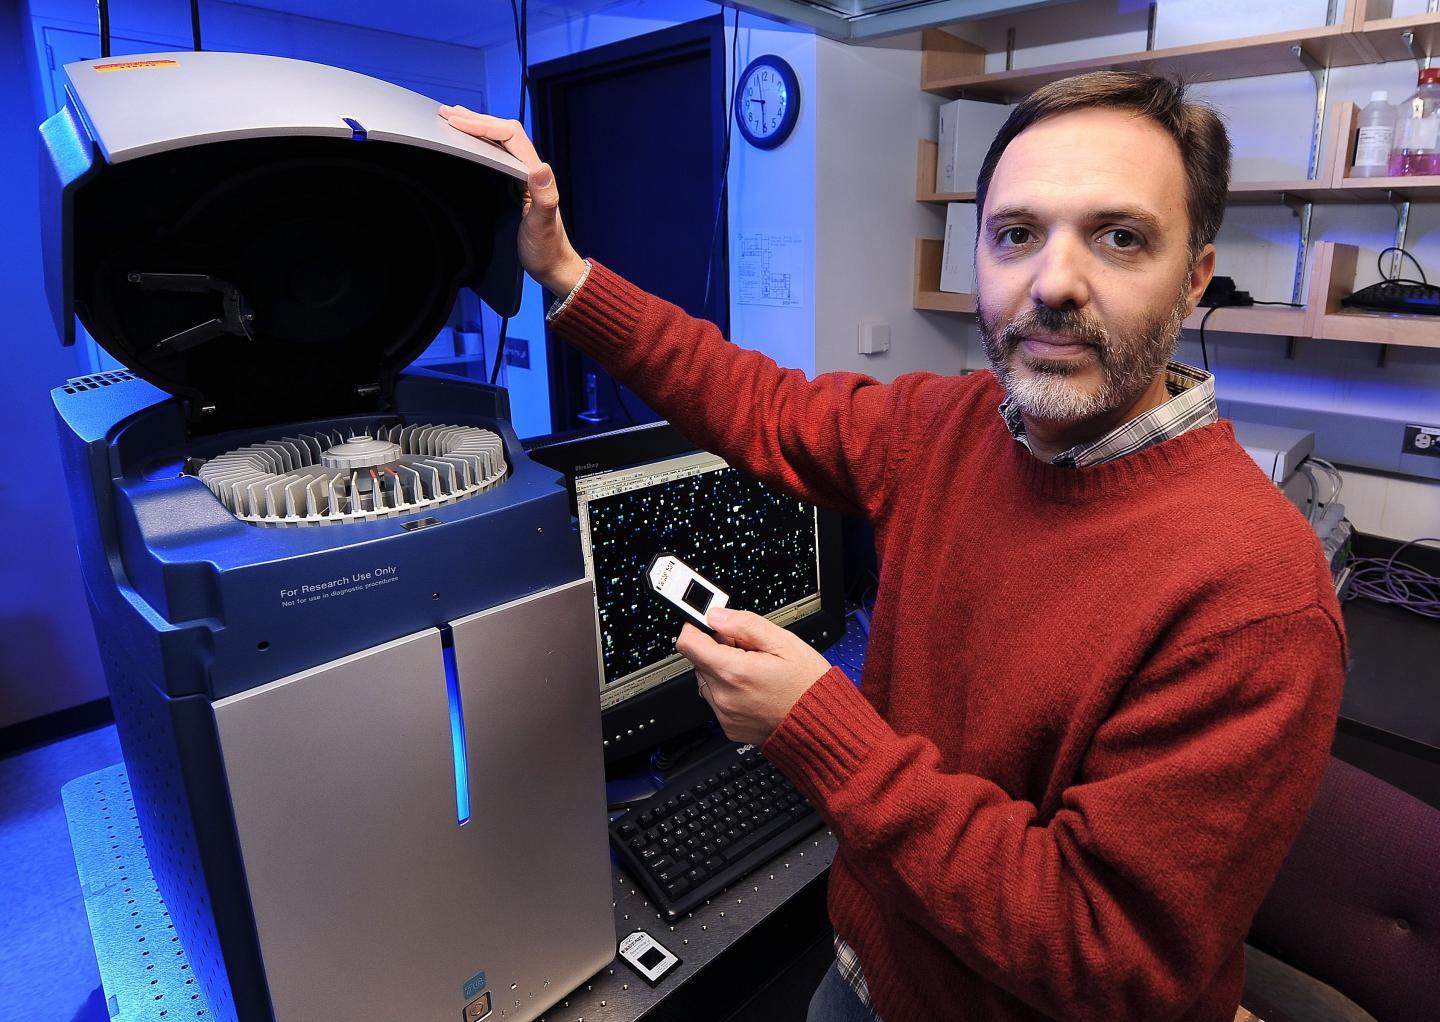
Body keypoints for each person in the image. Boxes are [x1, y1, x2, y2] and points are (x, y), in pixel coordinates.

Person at [440, 70, 1345, 1022]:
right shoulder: (950, 426)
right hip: (867, 974)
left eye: (1119, 238)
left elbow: (1105, 955)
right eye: (1017, 235)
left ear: (1196, 274)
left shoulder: (1255, 596)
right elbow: (761, 405)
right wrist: (566, 270)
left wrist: (819, 730)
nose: (1055, 283)